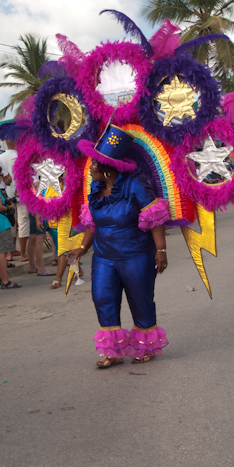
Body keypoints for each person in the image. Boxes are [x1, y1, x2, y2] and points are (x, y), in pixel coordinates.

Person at [71, 125, 170, 367]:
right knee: (102, 298)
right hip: (104, 257)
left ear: (107, 168)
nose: (90, 167)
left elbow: (155, 218)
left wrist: (161, 250)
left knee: (140, 300)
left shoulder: (136, 184)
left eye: (94, 164)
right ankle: (113, 352)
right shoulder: (95, 189)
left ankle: (145, 347)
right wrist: (82, 249)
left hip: (136, 255)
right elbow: (92, 224)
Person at [0, 140, 20, 260]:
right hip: (19, 193)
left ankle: (9, 252)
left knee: (10, 223)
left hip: (6, 193)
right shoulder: (19, 156)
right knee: (21, 223)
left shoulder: (0, 158)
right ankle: (14, 250)